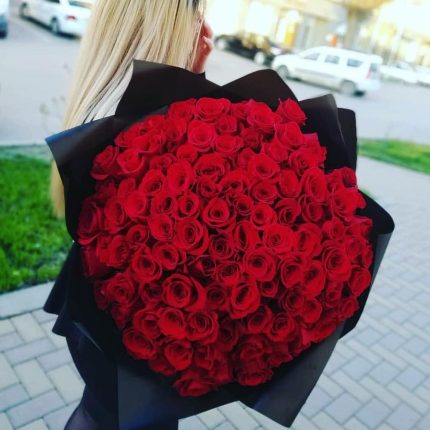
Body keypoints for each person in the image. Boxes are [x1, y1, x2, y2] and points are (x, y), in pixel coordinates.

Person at [47, 1, 214, 428]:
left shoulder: (96, 117)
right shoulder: (141, 142)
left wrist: (191, 79)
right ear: (172, 24)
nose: (204, 24)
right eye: (196, 12)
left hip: (102, 380)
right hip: (131, 384)